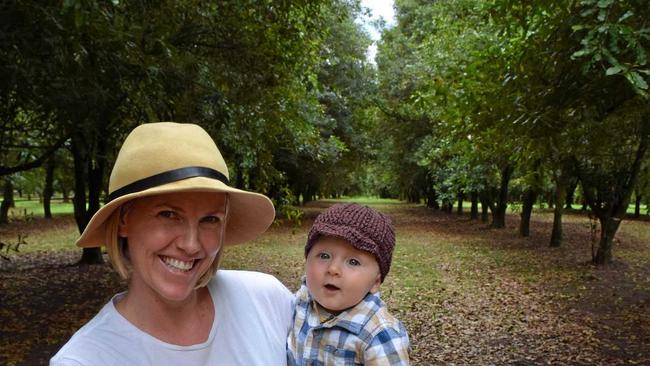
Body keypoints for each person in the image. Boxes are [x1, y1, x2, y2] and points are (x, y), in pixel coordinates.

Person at [51, 122, 294, 365]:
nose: (191, 245)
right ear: (124, 219)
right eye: (168, 215)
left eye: (210, 219)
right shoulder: (85, 360)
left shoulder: (267, 301)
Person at [287, 203, 410, 365]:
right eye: (324, 256)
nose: (333, 269)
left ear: (375, 282)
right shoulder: (302, 299)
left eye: (353, 262)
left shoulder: (379, 335)